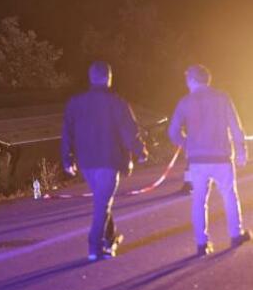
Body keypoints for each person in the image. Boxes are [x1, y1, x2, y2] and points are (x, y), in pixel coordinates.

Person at [61, 61, 148, 261]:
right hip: (110, 160)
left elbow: (67, 132)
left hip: (86, 163)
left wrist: (67, 159)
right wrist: (140, 151)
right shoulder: (118, 103)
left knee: (102, 201)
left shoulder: (76, 103)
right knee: (102, 204)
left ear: (90, 77)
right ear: (109, 78)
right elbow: (129, 132)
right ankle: (94, 246)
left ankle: (111, 238)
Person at [168, 64, 251, 257]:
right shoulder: (223, 98)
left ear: (193, 80)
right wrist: (241, 150)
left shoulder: (185, 101)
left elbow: (172, 131)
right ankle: (235, 234)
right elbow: (235, 126)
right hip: (222, 157)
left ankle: (202, 243)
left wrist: (187, 144)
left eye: (187, 79)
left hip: (197, 159)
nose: (186, 82)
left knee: (199, 200)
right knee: (229, 195)